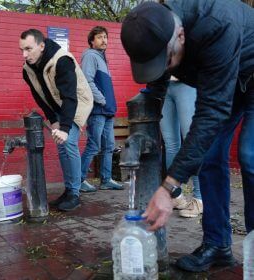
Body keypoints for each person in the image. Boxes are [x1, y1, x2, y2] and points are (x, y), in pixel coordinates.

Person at [120, 0, 254, 272]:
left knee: (250, 155)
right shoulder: (155, 26)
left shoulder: (216, 24)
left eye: (166, 60)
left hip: (251, 71)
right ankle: (218, 245)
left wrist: (169, 187)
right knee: (210, 155)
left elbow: (212, 111)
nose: (165, 67)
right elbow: (158, 75)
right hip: (227, 77)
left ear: (180, 36)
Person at [19, 29, 93, 211]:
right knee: (61, 147)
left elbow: (70, 98)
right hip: (57, 107)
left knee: (69, 143)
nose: (24, 54)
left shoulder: (62, 60)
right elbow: (39, 97)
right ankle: (68, 191)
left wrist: (65, 128)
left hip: (77, 103)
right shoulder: (27, 70)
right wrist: (53, 120)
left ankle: (75, 193)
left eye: (29, 49)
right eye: (22, 50)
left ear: (41, 46)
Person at [79, 26, 123, 193]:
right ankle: (80, 180)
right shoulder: (90, 56)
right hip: (98, 110)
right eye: (99, 37)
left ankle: (106, 180)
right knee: (93, 145)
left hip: (107, 111)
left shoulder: (103, 58)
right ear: (92, 41)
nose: (104, 40)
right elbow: (87, 81)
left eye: (105, 37)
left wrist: (108, 104)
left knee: (109, 146)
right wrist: (102, 100)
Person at [161, 78, 203, 218]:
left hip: (186, 82)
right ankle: (176, 196)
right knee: (170, 145)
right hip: (163, 85)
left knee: (192, 140)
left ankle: (199, 198)